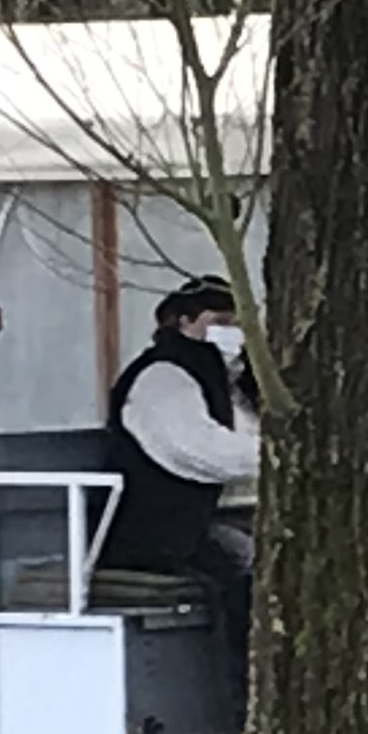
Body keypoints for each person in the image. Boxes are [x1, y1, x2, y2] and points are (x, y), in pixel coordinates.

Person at [103, 273, 257, 673]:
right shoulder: (162, 377)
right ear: (183, 322)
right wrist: (281, 457)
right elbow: (197, 449)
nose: (232, 333)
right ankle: (240, 686)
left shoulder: (235, 380)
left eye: (239, 323)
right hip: (163, 534)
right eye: (219, 321)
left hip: (214, 519)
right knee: (248, 566)